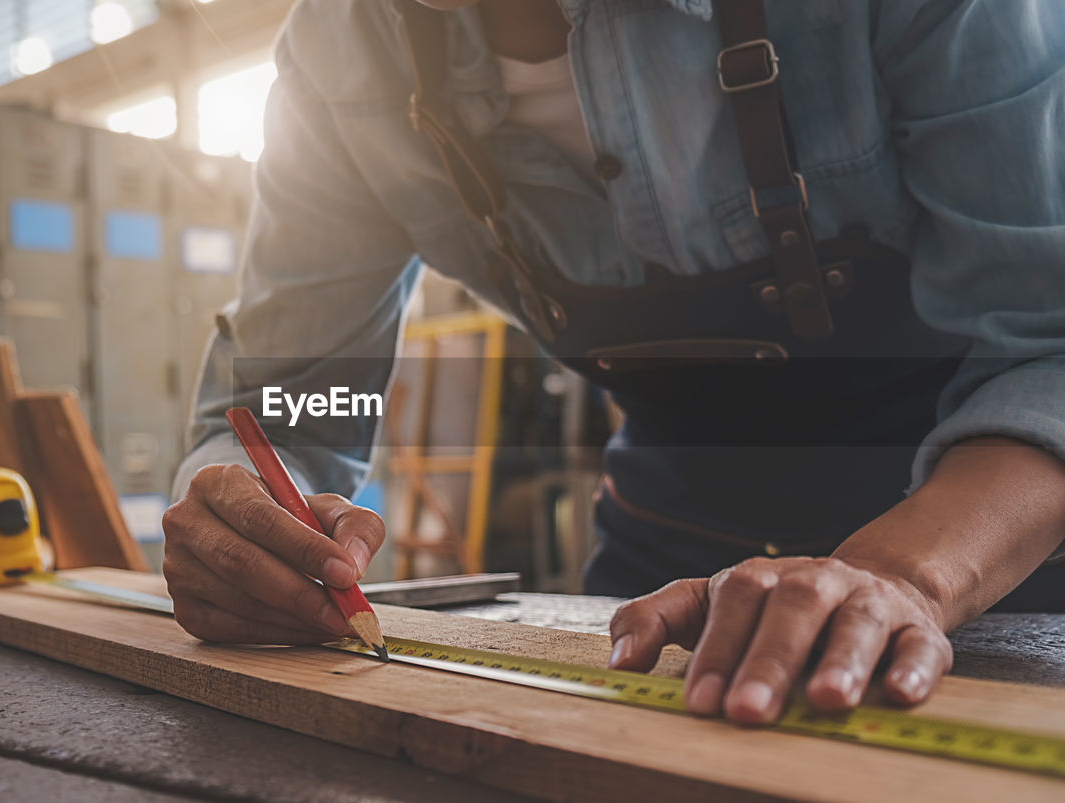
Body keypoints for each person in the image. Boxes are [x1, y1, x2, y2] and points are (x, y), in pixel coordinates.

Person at [161, 0, 1065, 725]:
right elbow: (293, 401)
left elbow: (1049, 345)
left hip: (997, 555)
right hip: (665, 569)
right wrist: (242, 502)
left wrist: (902, 577)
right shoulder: (339, 50)